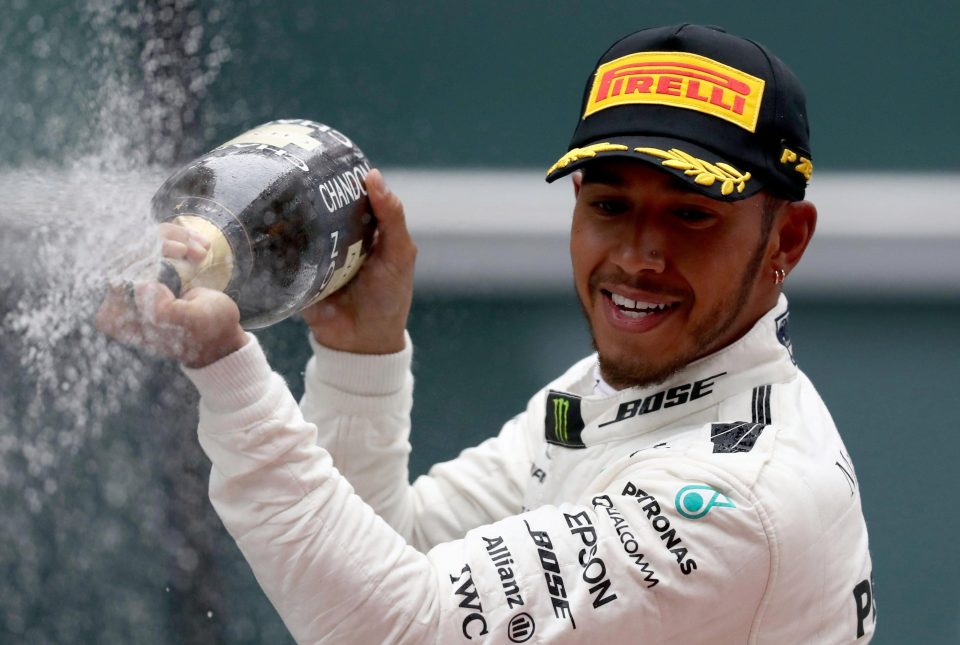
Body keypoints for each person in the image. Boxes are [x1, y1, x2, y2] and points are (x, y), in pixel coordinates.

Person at [98, 23, 876, 644]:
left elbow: (398, 631)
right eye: (610, 205)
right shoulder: (603, 396)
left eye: (692, 214)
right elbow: (389, 557)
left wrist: (229, 373)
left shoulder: (741, 497)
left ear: (788, 241)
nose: (640, 256)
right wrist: (357, 354)